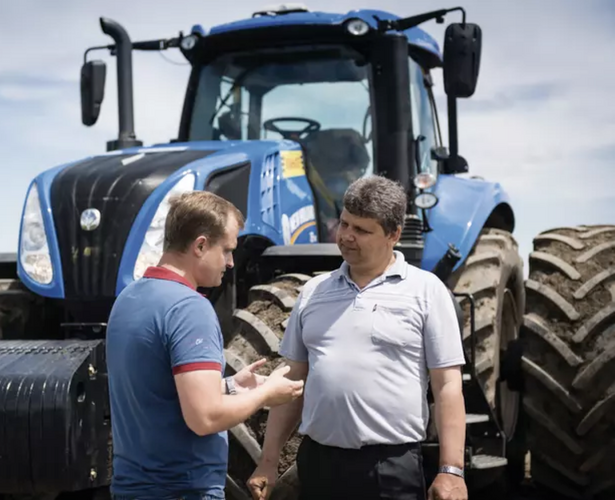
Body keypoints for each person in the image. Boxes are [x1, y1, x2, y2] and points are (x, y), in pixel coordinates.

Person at [246, 176, 468, 500]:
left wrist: (451, 469)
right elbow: (292, 382)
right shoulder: (313, 292)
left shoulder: (426, 291)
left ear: (393, 235)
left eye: (362, 230)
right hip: (318, 464)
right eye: (344, 223)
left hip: (389, 468)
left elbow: (447, 384)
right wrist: (268, 462)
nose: (347, 236)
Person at [106, 190, 305, 500]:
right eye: (226, 250)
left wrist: (230, 386)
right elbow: (205, 418)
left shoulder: (129, 299)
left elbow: (155, 391)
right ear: (200, 245)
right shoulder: (189, 308)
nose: (230, 262)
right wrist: (267, 393)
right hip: (182, 491)